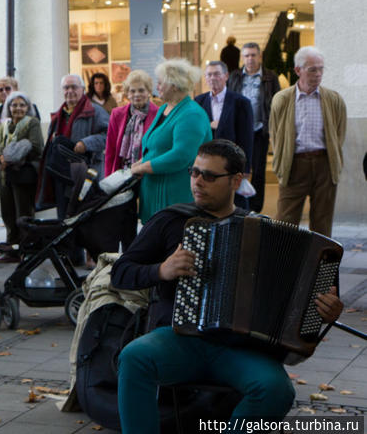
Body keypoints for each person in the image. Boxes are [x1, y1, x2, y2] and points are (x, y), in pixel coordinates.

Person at [112, 140, 343, 432]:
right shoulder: (170, 220)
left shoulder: (262, 229)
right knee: (134, 358)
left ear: (236, 180)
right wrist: (162, 269)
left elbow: (296, 300)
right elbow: (120, 272)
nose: (198, 181)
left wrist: (323, 311)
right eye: (194, 172)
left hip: (240, 348)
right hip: (179, 337)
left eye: (208, 175)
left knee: (277, 390)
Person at [270, 46, 346, 237]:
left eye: (321, 68)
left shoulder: (333, 99)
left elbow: (339, 134)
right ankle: (283, 264)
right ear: (298, 70)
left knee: (322, 223)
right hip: (294, 165)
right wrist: (280, 165)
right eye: (312, 69)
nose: (318, 74)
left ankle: (321, 265)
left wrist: (333, 164)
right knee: (285, 222)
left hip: (324, 166)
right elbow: (276, 135)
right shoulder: (282, 99)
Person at [131, 59, 212, 223]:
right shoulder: (164, 108)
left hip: (174, 194)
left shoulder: (191, 114)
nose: (157, 86)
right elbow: (153, 146)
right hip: (154, 192)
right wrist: (140, 162)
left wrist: (144, 166)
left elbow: (181, 155)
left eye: (161, 83)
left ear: (174, 85)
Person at [36, 74, 109, 216]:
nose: (70, 91)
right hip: (61, 176)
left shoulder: (96, 111)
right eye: (66, 87)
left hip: (86, 174)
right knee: (64, 217)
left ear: (82, 89)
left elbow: (109, 136)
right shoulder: (58, 115)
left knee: (84, 218)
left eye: (74, 87)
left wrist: (86, 143)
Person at [227, 42, 280, 213]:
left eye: (253, 55)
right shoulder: (235, 76)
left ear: (260, 56)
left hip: (259, 131)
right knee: (236, 169)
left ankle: (255, 209)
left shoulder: (270, 77)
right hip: (238, 132)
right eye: (247, 55)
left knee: (257, 171)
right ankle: (238, 206)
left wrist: (273, 127)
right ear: (242, 57)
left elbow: (276, 103)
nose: (250, 59)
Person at [0, 91, 44, 263]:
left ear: (28, 107)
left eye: (22, 105)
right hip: (4, 176)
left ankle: (27, 250)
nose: (18, 108)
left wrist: (14, 156)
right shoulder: (4, 125)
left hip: (23, 176)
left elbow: (37, 147)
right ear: (8, 107)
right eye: (14, 105)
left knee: (24, 214)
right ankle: (12, 249)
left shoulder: (32, 123)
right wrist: (0, 157)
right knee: (8, 214)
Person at [195, 60, 254, 208]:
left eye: (217, 74)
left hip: (232, 162)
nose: (212, 78)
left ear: (226, 76)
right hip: (207, 164)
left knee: (236, 204)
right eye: (209, 74)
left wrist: (245, 169)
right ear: (205, 78)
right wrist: (209, 124)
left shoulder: (241, 102)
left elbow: (246, 138)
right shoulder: (198, 101)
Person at [103, 70, 159, 176]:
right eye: (132, 91)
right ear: (127, 94)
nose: (137, 94)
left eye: (141, 90)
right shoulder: (117, 114)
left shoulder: (158, 114)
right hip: (122, 173)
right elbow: (110, 150)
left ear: (149, 92)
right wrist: (108, 178)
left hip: (147, 174)